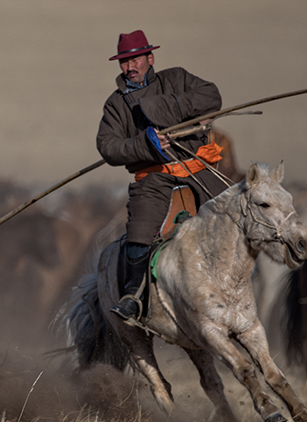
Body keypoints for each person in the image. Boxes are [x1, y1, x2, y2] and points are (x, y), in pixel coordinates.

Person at [97, 30, 230, 324]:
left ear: (150, 58)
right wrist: (145, 143)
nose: (130, 66)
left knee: (238, 212)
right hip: (154, 177)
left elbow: (212, 96)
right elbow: (107, 146)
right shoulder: (116, 104)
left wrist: (167, 111)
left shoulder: (177, 79)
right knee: (140, 231)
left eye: (135, 59)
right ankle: (134, 296)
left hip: (198, 168)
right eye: (124, 61)